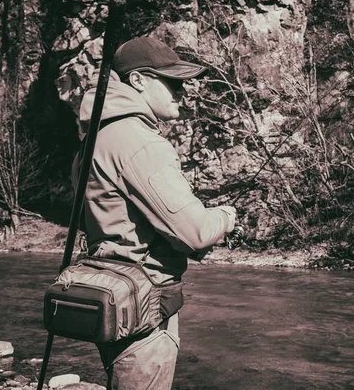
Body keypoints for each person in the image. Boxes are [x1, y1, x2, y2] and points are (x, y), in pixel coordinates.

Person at [73, 36, 236, 390]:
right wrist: (226, 216)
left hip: (112, 298)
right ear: (138, 81)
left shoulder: (96, 137)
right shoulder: (140, 142)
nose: (181, 92)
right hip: (144, 310)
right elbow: (194, 232)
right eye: (172, 81)